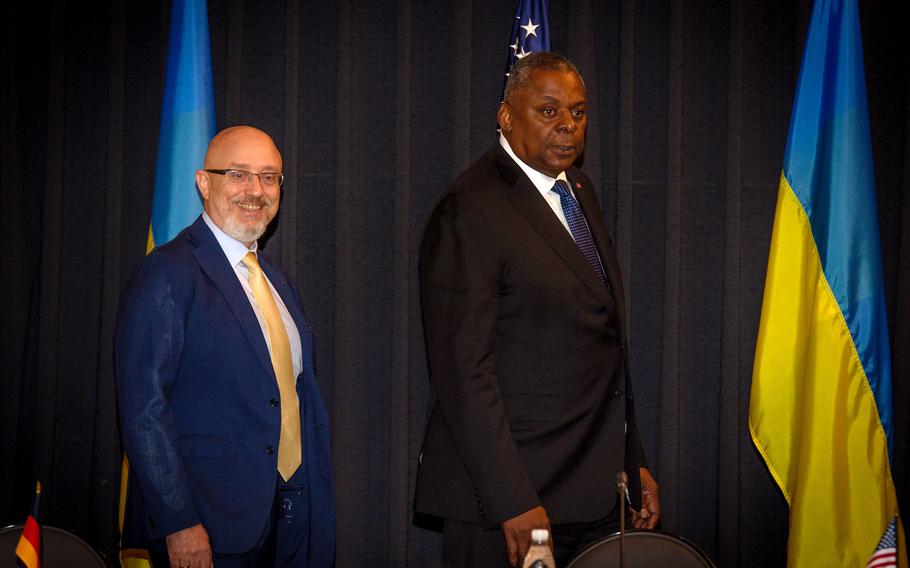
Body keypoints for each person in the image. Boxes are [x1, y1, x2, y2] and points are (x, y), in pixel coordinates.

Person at [414, 52, 660, 567]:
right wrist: (513, 500)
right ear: (507, 117)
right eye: (548, 112)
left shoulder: (579, 191)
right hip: (515, 507)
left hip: (593, 492)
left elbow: (606, 344)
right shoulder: (470, 207)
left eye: (578, 111)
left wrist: (630, 460)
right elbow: (463, 372)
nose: (567, 126)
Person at [115, 126, 335, 568]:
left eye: (269, 177)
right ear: (203, 182)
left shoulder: (280, 283)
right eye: (238, 174)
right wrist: (178, 523)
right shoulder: (168, 272)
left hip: (290, 516)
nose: (256, 190)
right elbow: (143, 410)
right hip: (209, 528)